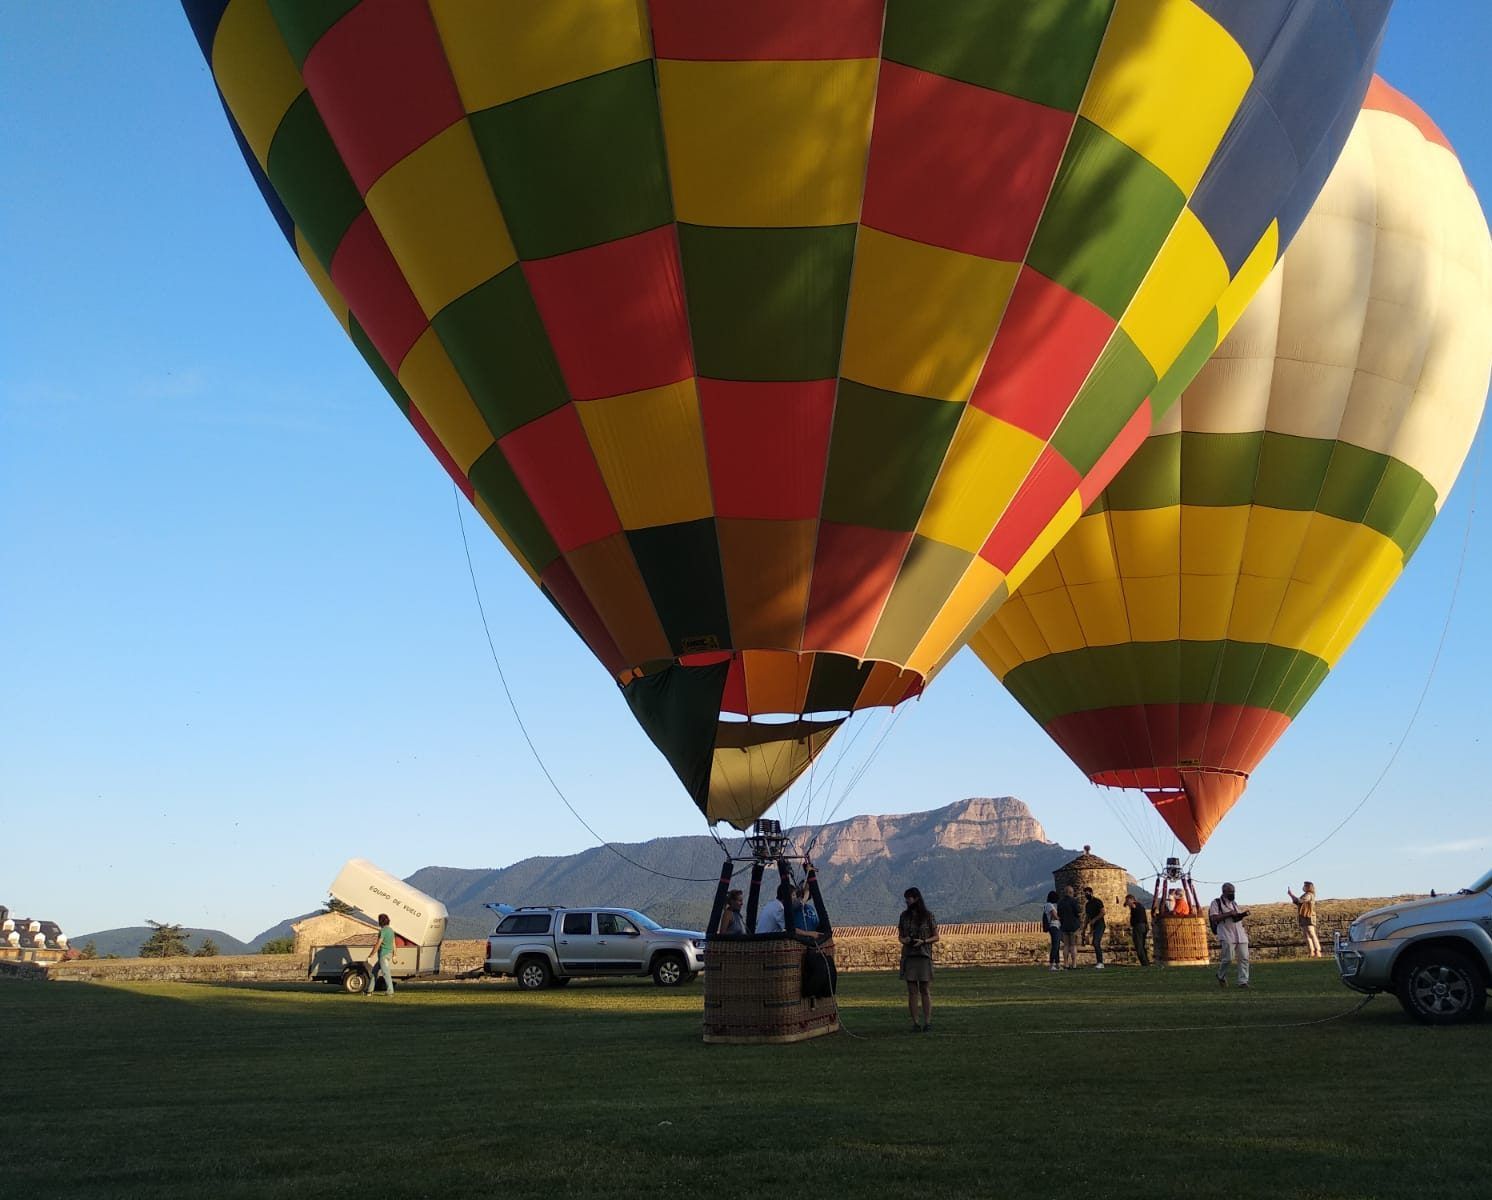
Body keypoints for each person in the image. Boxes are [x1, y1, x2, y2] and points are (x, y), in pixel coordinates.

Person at [898, 887, 939, 1032]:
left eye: (908, 898)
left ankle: (927, 1022)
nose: (906, 901)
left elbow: (936, 936)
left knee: (925, 989)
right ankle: (915, 1022)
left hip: (924, 955)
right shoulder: (903, 916)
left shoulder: (928, 916)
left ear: (915, 898)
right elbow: (900, 936)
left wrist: (924, 941)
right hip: (909, 956)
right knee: (912, 991)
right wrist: (905, 940)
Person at [1208, 883, 1251, 988]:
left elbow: (1235, 918)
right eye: (1230, 892)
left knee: (1244, 958)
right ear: (1224, 892)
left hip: (1240, 934)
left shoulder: (1234, 903)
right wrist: (1228, 914)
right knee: (1228, 958)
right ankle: (1220, 975)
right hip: (1226, 933)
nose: (1232, 894)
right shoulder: (1216, 903)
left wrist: (1242, 915)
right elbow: (1214, 918)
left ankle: (1243, 981)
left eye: (1233, 892)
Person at [1287, 881, 1322, 958]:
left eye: (1305, 886)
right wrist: (1291, 895)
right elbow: (1298, 902)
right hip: (1303, 916)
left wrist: (1292, 895)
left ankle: (1317, 951)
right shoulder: (1305, 895)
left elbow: (1300, 901)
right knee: (1306, 935)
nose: (1303, 887)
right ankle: (1311, 951)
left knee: (1311, 933)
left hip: (1309, 916)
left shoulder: (1309, 895)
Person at [367, 913, 395, 998]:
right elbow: (394, 943)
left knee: (386, 973)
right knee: (374, 972)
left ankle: (390, 992)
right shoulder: (391, 930)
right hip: (388, 954)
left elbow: (378, 944)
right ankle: (369, 991)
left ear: (380, 921)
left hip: (383, 955)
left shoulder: (382, 931)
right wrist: (395, 955)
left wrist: (371, 955)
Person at [1056, 885, 1082, 969]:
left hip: (1064, 925)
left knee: (1066, 945)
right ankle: (1074, 964)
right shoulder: (1073, 901)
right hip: (1073, 926)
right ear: (1070, 892)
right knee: (1073, 945)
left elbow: (1059, 914)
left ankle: (1066, 964)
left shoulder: (1060, 902)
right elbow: (1077, 912)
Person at [1083, 887, 1107, 969]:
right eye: (1085, 893)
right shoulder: (1087, 905)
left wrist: (1095, 919)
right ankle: (1099, 962)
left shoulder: (1098, 901)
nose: (1086, 895)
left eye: (1087, 893)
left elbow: (1103, 912)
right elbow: (1087, 916)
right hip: (1093, 926)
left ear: (1091, 893)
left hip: (1100, 924)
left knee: (1096, 942)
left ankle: (1100, 962)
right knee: (1094, 942)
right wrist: (1084, 927)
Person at [1125, 894, 1150, 967]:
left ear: (1130, 899)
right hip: (1144, 926)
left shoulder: (1134, 905)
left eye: (1127, 901)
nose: (1127, 903)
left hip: (1138, 926)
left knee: (1139, 946)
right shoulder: (1140, 905)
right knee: (1142, 945)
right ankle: (1146, 962)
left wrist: (1129, 904)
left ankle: (1144, 964)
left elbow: (1133, 905)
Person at [1041, 890, 1062, 971]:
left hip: (1055, 927)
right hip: (1054, 927)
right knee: (1055, 946)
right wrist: (1061, 919)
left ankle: (1057, 964)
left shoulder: (1048, 905)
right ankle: (1051, 964)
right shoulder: (1049, 905)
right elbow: (1055, 916)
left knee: (1057, 946)